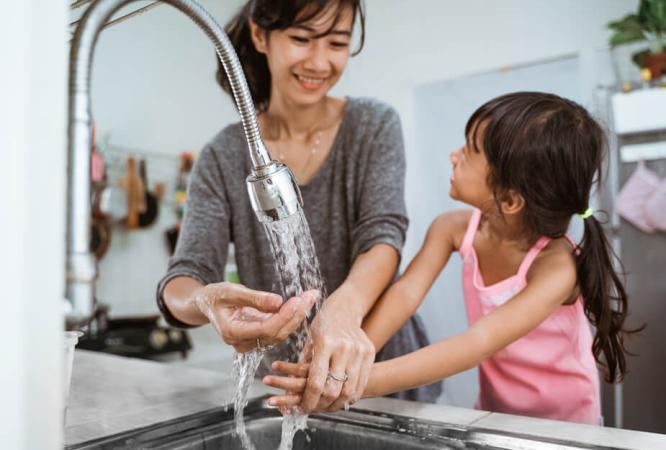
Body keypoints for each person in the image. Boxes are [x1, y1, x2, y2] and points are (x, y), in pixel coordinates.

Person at [263, 92, 638, 425]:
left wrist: (360, 383)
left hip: (566, 425)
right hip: (498, 413)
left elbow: (480, 340)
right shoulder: (453, 228)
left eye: (470, 150)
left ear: (509, 199)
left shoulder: (556, 267)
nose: (454, 154)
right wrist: (345, 361)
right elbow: (406, 294)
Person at [156, 0, 440, 413]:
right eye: (302, 39)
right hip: (285, 387)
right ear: (260, 36)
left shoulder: (373, 125)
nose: (320, 62)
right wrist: (206, 303)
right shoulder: (223, 155)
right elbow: (184, 277)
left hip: (383, 378)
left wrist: (342, 312)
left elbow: (383, 236)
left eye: (337, 43)